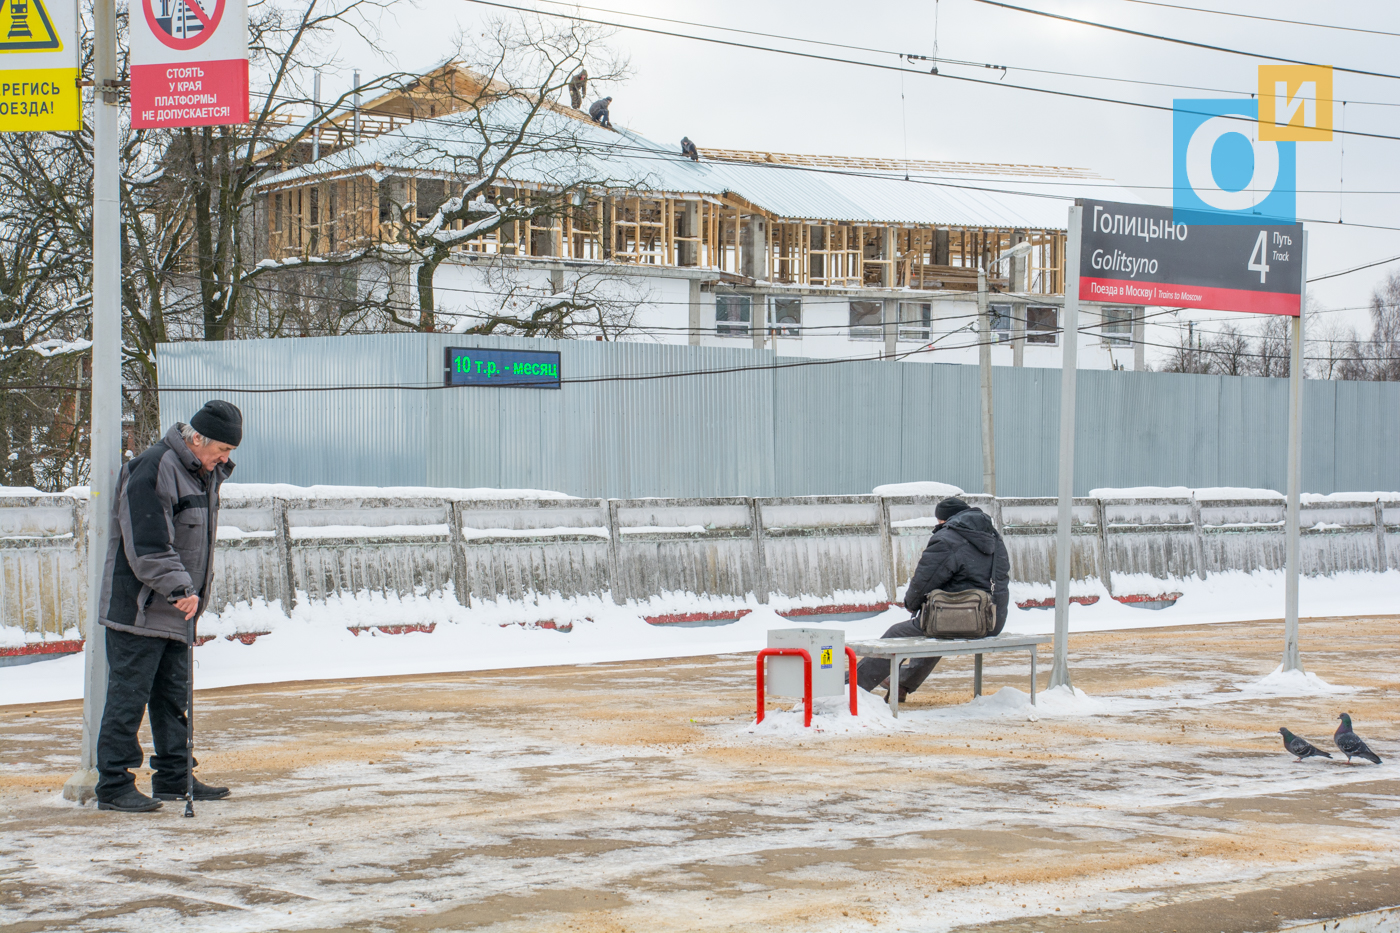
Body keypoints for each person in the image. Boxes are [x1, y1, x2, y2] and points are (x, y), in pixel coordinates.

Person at [94, 401, 242, 812]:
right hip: (140, 609)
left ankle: (175, 778)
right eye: (222, 450)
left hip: (178, 610)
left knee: (174, 698)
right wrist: (180, 588)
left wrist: (186, 597)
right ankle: (114, 785)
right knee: (128, 699)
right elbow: (147, 543)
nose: (226, 459)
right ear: (197, 439)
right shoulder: (155, 467)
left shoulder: (201, 474)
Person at [856, 496, 1010, 700]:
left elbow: (924, 580)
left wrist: (912, 604)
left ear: (943, 520)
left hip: (965, 619)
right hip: (992, 620)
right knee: (937, 628)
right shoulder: (993, 537)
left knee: (899, 633)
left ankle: (852, 688)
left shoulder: (948, 538)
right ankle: (902, 683)